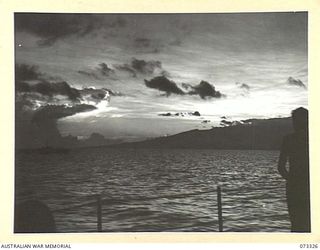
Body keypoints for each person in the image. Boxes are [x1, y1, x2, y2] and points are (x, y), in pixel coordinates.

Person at [278, 107, 310, 232]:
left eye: (295, 120)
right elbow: (281, 167)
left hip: (295, 187)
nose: (294, 123)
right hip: (300, 186)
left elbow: (281, 167)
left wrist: (291, 179)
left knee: (297, 222)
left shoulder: (288, 139)